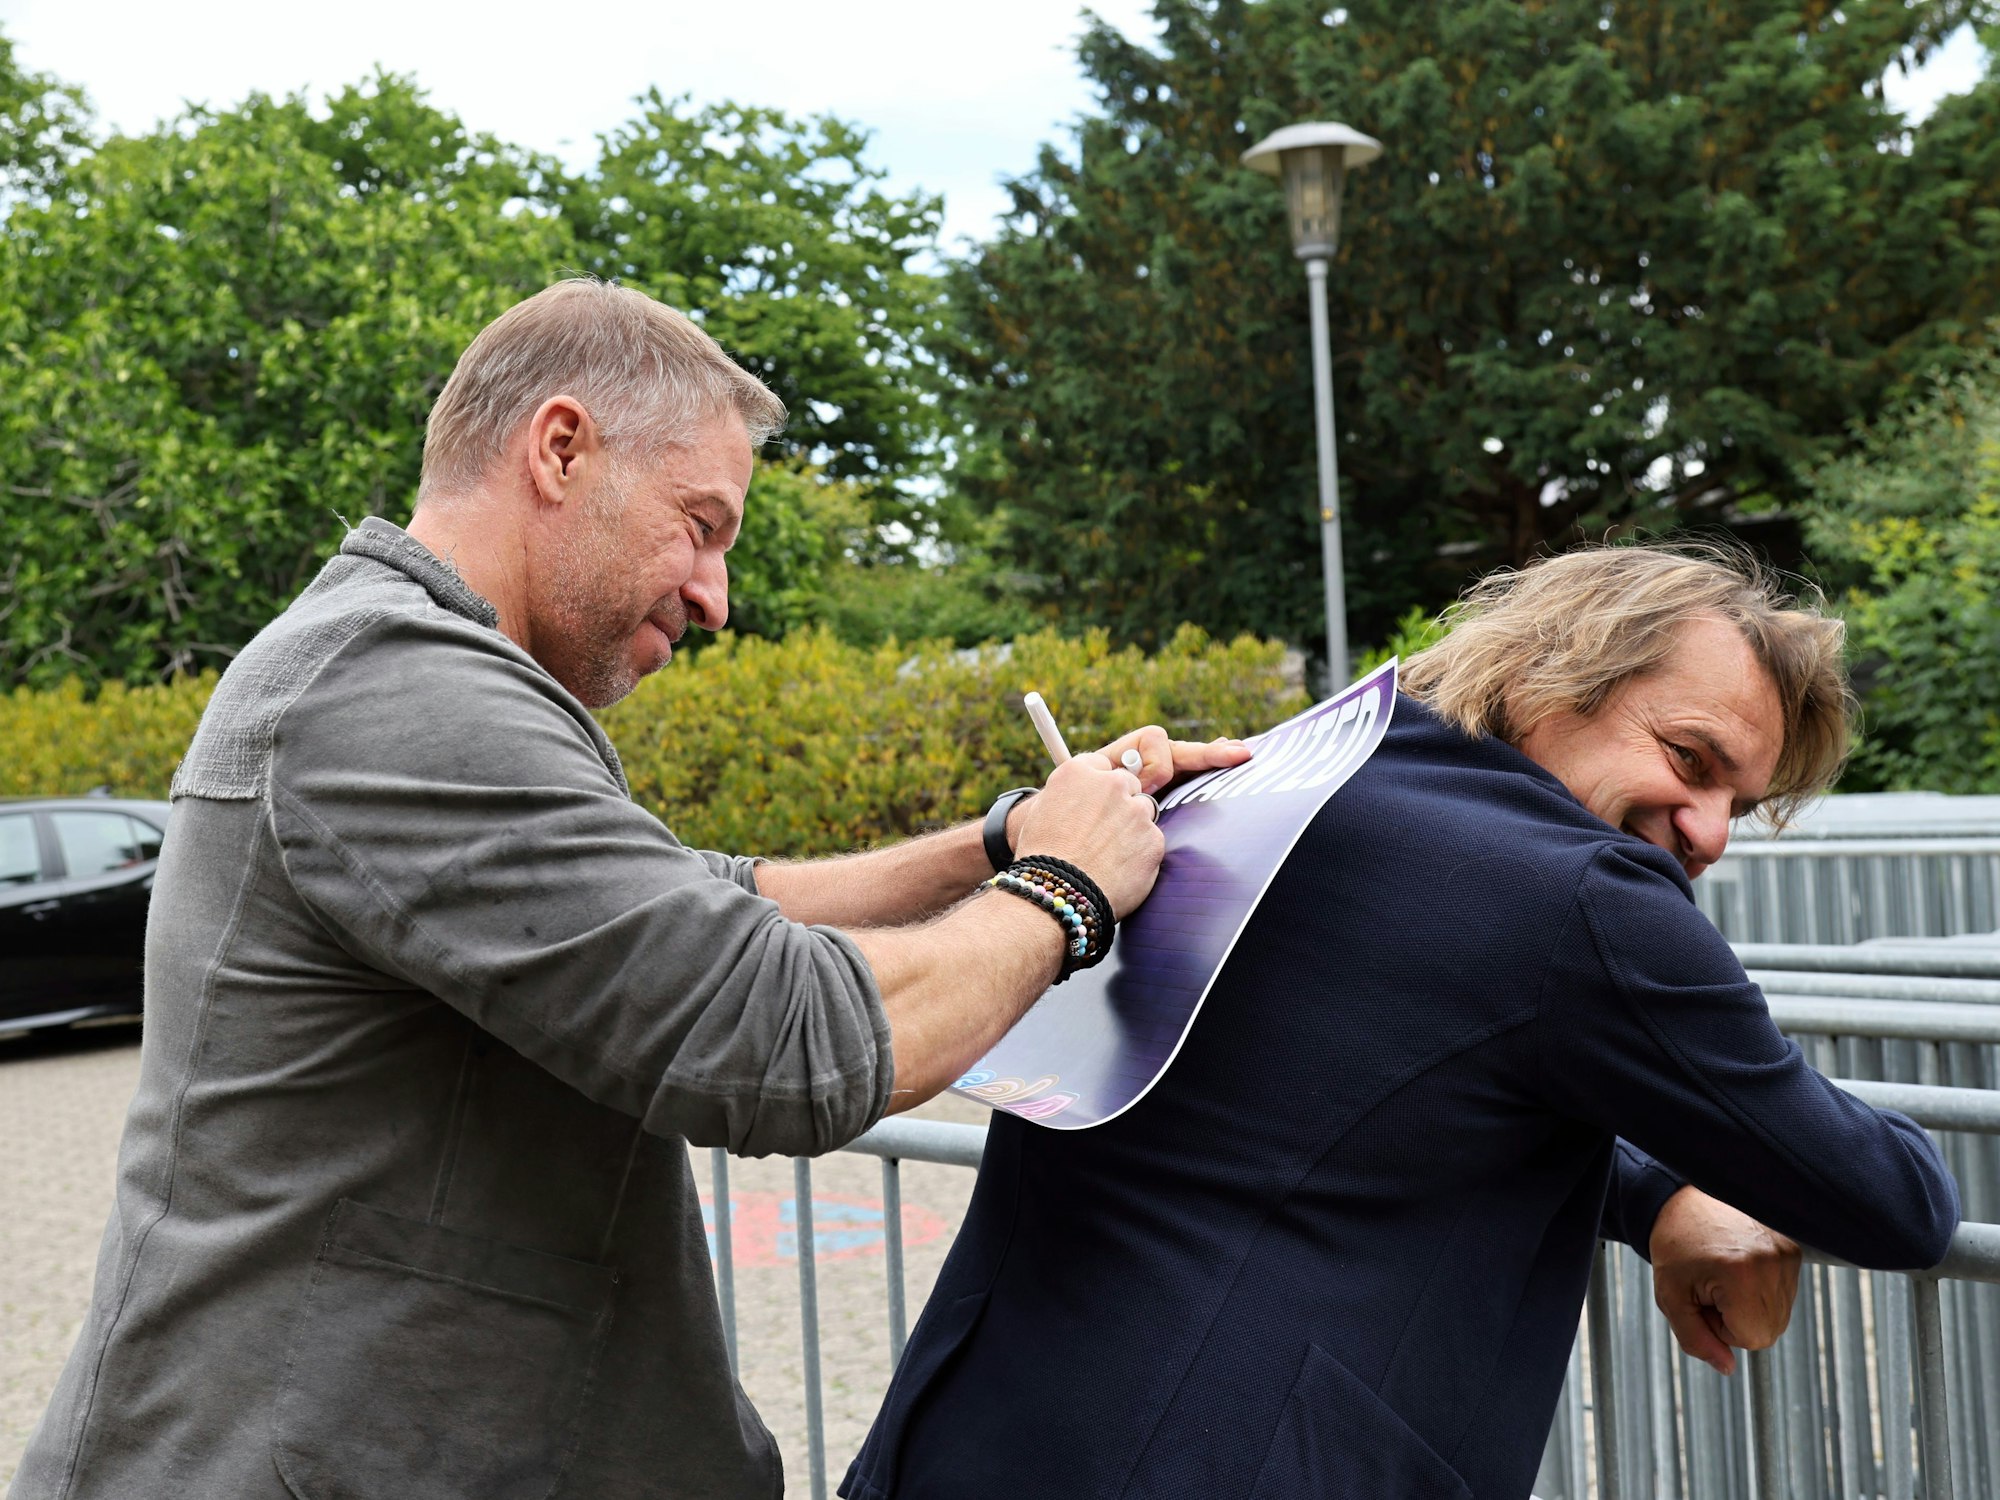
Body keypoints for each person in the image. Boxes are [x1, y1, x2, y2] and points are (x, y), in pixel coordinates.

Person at [10, 279, 1242, 1500]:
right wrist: (1066, 886)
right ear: (560, 448)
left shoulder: (401, 672)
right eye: (701, 524)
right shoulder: (394, 692)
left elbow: (708, 901)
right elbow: (774, 1035)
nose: (715, 597)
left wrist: (1003, 836)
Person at [843, 546, 1961, 1500]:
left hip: (965, 1425)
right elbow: (1888, 1202)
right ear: (1546, 677)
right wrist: (1716, 1173)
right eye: (1689, 760)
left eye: (1741, 802)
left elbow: (1364, 1086)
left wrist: (1660, 1188)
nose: (1710, 833)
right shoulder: (1582, 897)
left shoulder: (1266, 775)